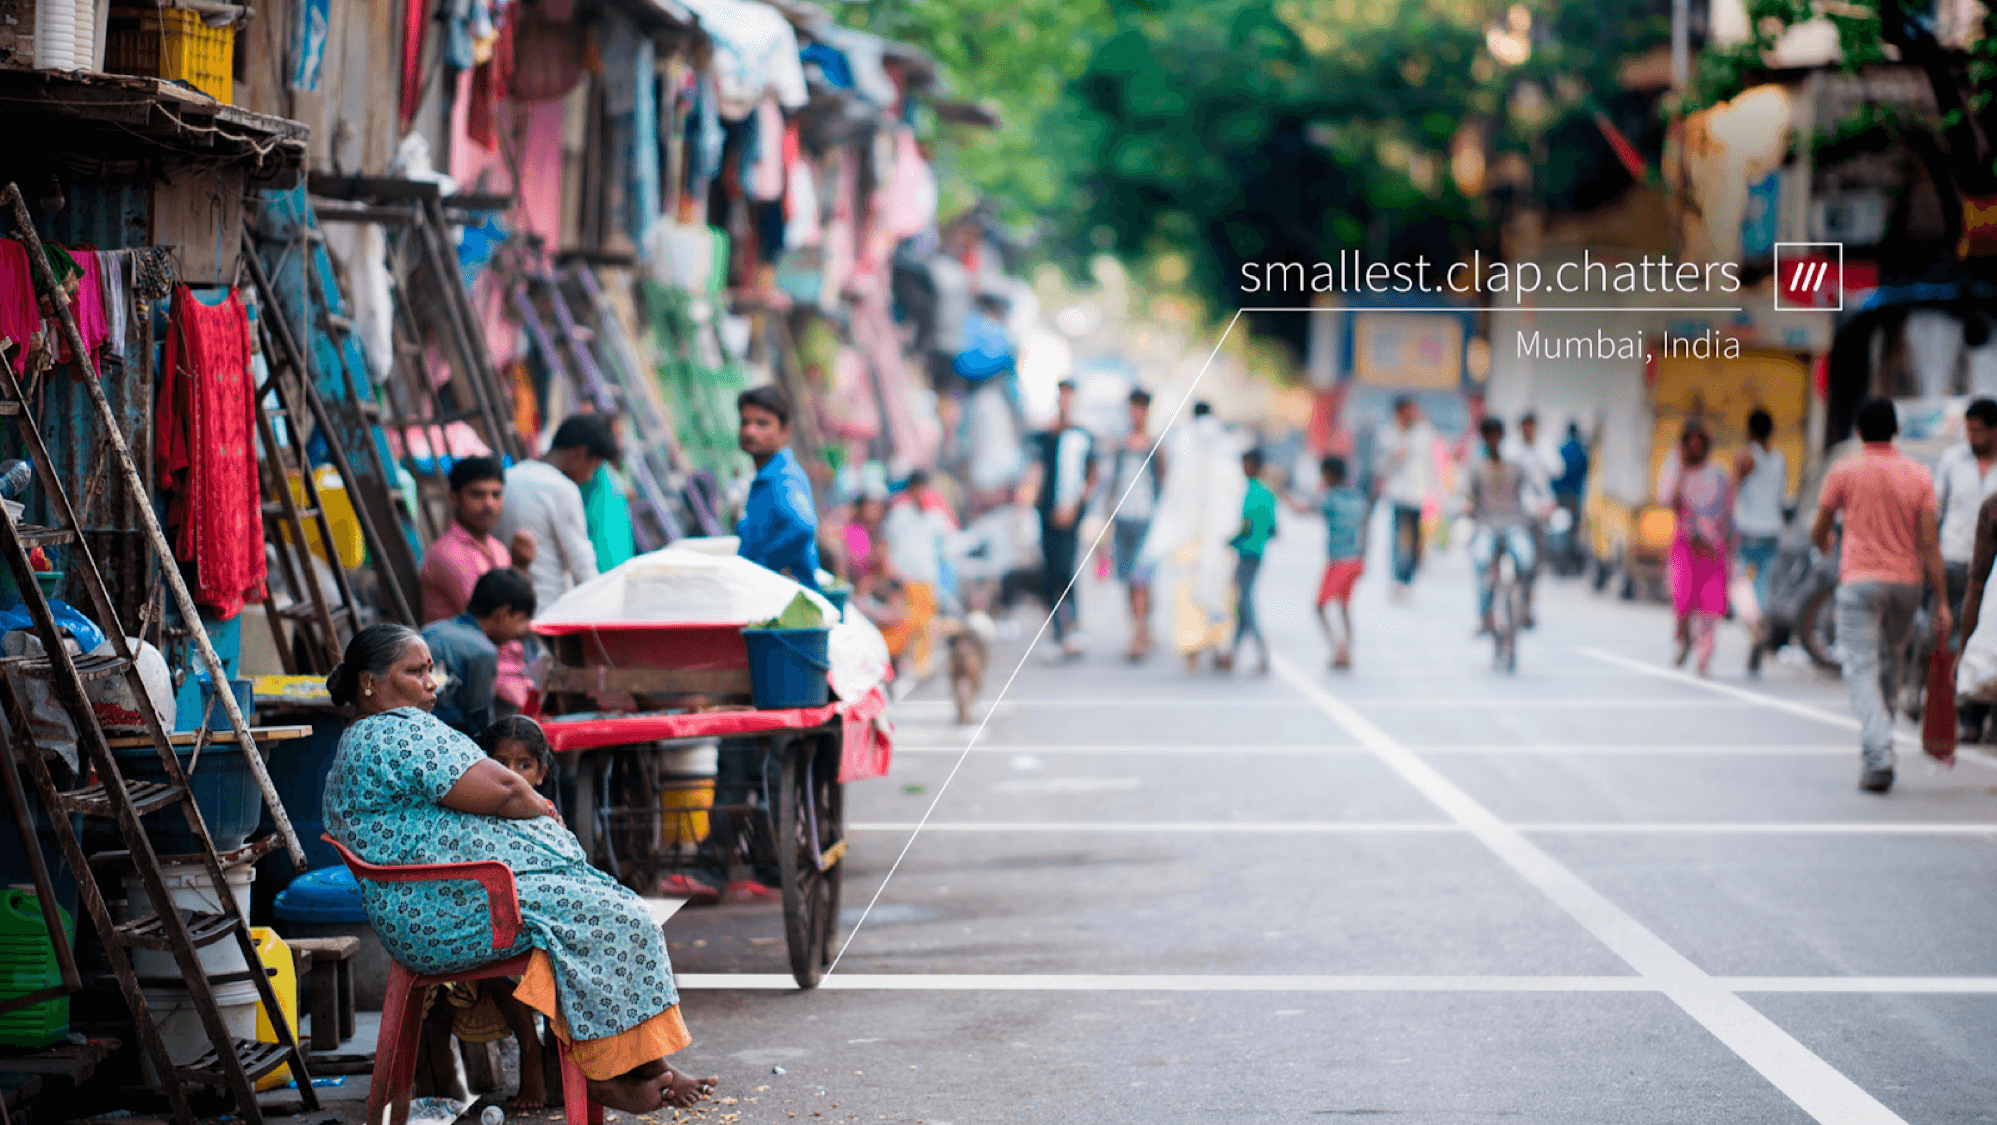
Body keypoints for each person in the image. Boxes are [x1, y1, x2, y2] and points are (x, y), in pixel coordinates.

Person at [322, 624, 719, 1112]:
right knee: (617, 916)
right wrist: (542, 807)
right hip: (450, 910)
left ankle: (643, 1065)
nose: (431, 683)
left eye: (430, 670)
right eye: (415, 672)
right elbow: (506, 791)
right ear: (369, 682)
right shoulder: (395, 732)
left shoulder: (364, 738)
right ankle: (607, 1073)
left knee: (614, 908)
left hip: (436, 906)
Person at [420, 716, 563, 1111]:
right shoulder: (470, 812)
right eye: (500, 764)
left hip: (528, 931)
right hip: (471, 927)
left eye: (524, 765)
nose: (512, 775)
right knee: (438, 989)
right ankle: (441, 1072)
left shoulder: (546, 817)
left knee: (507, 973)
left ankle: (532, 1057)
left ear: (541, 773)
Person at [1811, 398, 1950, 793]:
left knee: (1860, 667)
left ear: (1858, 431)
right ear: (1896, 431)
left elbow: (1820, 526)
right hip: (1907, 584)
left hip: (1859, 582)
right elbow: (1929, 543)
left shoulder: (1845, 469)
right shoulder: (1919, 474)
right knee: (1890, 665)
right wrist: (1941, 600)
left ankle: (1878, 751)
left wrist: (1822, 543)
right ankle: (1879, 746)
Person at [418, 456, 535, 714]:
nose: (489, 504)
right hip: (471, 685)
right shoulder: (449, 555)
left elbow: (511, 614)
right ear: (454, 498)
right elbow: (498, 623)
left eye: (496, 495)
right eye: (478, 495)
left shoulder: (498, 548)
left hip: (511, 676)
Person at [1016, 378, 1098, 658]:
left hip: (1070, 516)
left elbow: (1091, 476)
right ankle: (1057, 629)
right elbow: (1034, 472)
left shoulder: (1082, 437)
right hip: (1046, 513)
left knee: (1067, 569)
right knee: (1050, 571)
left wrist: (1076, 505)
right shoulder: (1044, 437)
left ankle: (1073, 625)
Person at [497, 415, 614, 610]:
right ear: (579, 455)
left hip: (507, 607)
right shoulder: (561, 489)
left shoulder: (509, 476)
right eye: (593, 467)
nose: (589, 477)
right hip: (547, 608)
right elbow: (582, 565)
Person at [1932, 398, 1997, 737]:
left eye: (1979, 430)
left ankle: (1989, 716)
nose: (1972, 437)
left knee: (1989, 638)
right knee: (1961, 636)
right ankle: (1968, 714)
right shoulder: (1952, 460)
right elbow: (1935, 510)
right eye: (1969, 430)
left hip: (1991, 567)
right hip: (1956, 560)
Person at [421, 568, 537, 736]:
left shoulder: (431, 630)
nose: (519, 632)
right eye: (520, 620)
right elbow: (480, 724)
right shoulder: (483, 651)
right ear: (503, 613)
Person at [1659, 419, 1734, 677]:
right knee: (1682, 598)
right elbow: (1666, 499)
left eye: (1699, 443)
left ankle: (1704, 657)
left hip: (1712, 548)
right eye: (1689, 444)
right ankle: (1683, 638)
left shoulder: (1718, 474)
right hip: (1685, 546)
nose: (1695, 448)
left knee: (1710, 605)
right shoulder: (1676, 470)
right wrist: (1679, 467)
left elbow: (1728, 512)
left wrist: (1728, 543)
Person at [735, 385, 821, 591]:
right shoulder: (767, 476)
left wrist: (764, 566)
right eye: (745, 422)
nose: (750, 431)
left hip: (786, 599)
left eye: (762, 423)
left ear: (785, 431)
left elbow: (803, 524)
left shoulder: (782, 478)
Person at [1285, 456, 1367, 670]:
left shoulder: (1330, 499)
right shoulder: (1357, 499)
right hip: (1356, 560)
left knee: (1320, 605)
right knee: (1344, 607)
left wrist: (1281, 494)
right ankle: (1347, 649)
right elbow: (1365, 530)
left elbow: (1302, 510)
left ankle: (1338, 649)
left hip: (1338, 561)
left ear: (1329, 475)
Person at [1107, 388, 1166, 661]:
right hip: (1122, 520)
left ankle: (1138, 635)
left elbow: (1163, 484)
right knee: (1129, 580)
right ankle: (1141, 627)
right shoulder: (1120, 447)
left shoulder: (1156, 447)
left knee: (1140, 577)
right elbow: (1112, 484)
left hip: (1146, 520)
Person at [1465, 417, 1537, 637]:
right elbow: (1467, 498)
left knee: (1527, 559)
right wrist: (1464, 508)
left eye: (1496, 435)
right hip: (1486, 526)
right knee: (1481, 561)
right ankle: (1485, 616)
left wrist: (1539, 508)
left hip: (1515, 524)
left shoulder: (1515, 469)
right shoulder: (1477, 470)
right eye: (1489, 436)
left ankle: (1525, 607)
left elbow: (1531, 494)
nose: (1493, 440)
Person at [1374, 396, 1437, 599]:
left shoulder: (1423, 432)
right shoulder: (1388, 433)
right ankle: (1398, 579)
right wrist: (1394, 456)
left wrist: (1435, 491)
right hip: (1398, 493)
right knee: (1398, 538)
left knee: (1416, 539)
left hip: (1418, 495)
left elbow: (1431, 463)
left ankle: (1408, 577)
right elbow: (1381, 465)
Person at [1221, 448, 1277, 674]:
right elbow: (1273, 528)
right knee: (1241, 604)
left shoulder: (1249, 492)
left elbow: (1245, 525)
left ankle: (1261, 653)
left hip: (1246, 553)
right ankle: (1231, 654)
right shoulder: (1267, 493)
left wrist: (1230, 541)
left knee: (1245, 604)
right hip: (1258, 553)